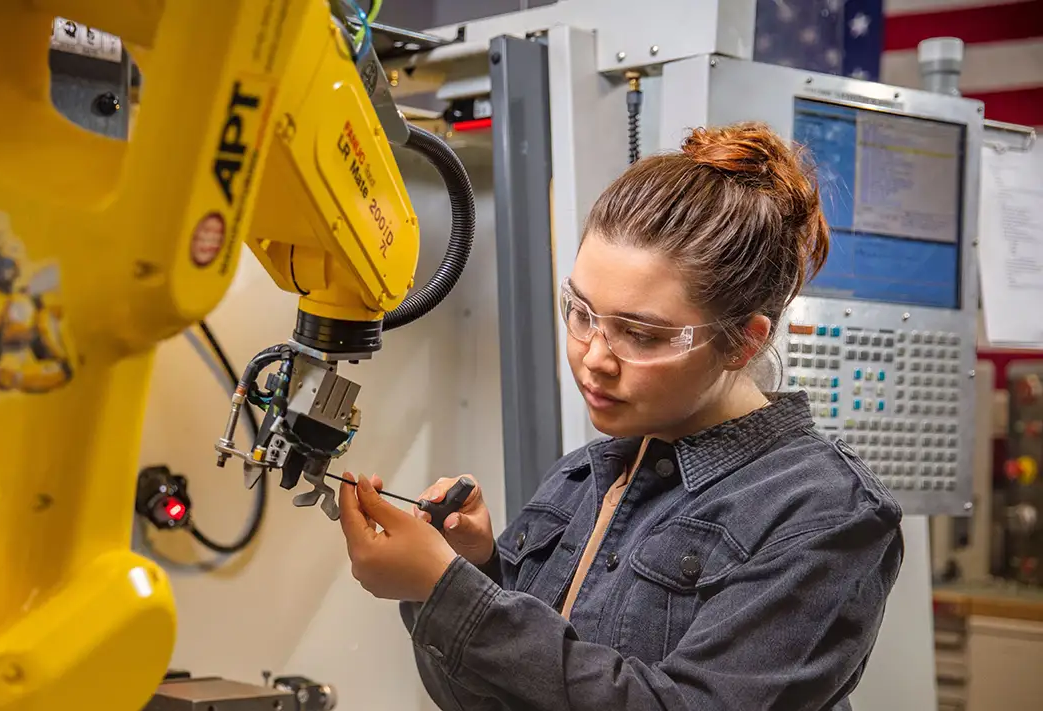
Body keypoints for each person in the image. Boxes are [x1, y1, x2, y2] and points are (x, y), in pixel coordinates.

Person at [338, 122, 904, 710]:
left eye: (640, 333)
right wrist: (471, 572)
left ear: (743, 342)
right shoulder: (584, 476)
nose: (594, 358)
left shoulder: (826, 513)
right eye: (581, 312)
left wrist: (448, 593)